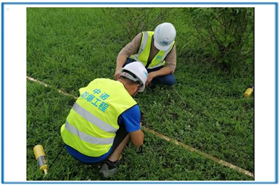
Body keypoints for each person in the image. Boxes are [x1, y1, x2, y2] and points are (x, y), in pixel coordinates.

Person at [60, 61, 148, 178]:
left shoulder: (98, 81)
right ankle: (112, 162)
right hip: (92, 155)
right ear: (137, 87)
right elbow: (138, 143)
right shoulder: (129, 106)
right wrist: (138, 127)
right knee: (129, 125)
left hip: (67, 141)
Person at [114, 22, 177, 87]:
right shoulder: (143, 36)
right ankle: (139, 78)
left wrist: (153, 74)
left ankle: (145, 80)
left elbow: (170, 67)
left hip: (153, 68)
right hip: (136, 64)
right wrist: (118, 69)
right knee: (126, 64)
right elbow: (124, 53)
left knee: (169, 80)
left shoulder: (171, 45)